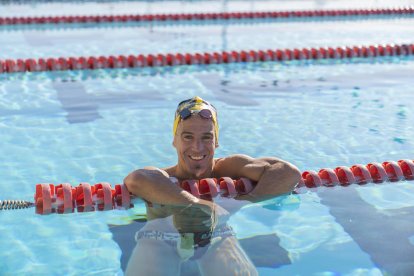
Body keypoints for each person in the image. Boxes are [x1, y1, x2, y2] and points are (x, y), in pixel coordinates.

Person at [124, 96, 301, 275]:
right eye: (187, 137)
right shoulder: (162, 178)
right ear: (174, 140)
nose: (197, 147)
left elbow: (287, 172)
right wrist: (198, 205)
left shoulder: (227, 168)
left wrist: (241, 203)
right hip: (160, 239)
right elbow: (137, 179)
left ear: (216, 141)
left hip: (217, 236)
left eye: (206, 137)